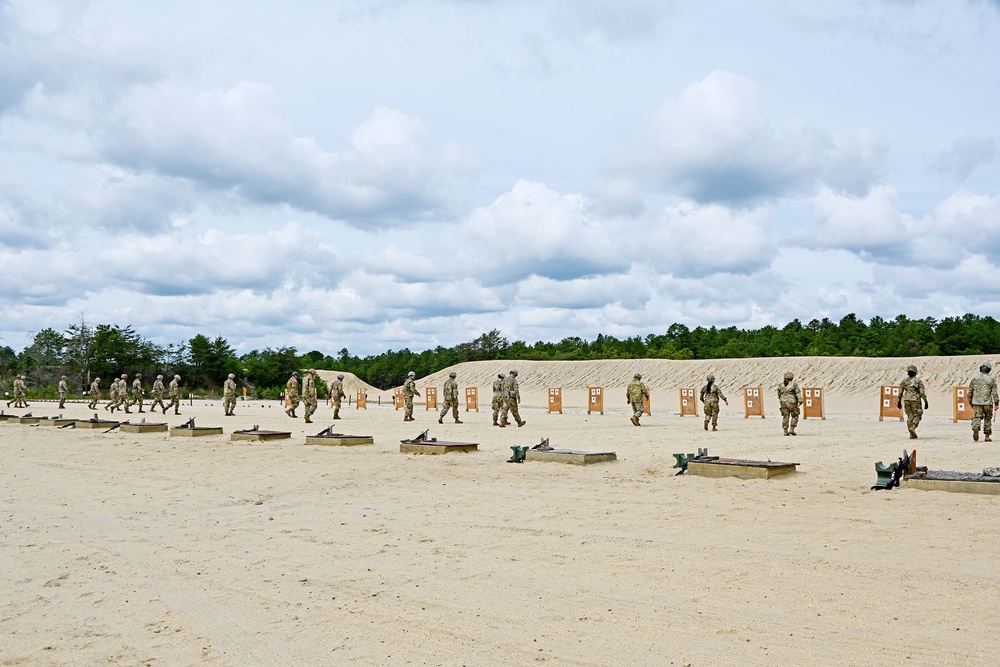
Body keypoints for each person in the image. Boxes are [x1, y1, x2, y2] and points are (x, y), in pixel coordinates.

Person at [968, 361, 999, 442]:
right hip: (988, 403)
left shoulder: (974, 379)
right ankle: (987, 436)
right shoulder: (991, 379)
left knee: (977, 417)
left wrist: (970, 401)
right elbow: (994, 392)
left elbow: (970, 391)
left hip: (977, 402)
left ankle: (976, 427)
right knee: (988, 418)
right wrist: (996, 403)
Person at [896, 364, 928, 439]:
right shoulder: (918, 381)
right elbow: (922, 392)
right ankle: (912, 428)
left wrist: (899, 401)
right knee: (918, 415)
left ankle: (911, 434)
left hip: (906, 399)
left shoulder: (904, 381)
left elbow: (900, 392)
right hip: (915, 399)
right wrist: (926, 401)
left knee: (909, 416)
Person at [777, 371, 802, 436]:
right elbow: (798, 393)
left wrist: (781, 400)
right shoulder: (794, 384)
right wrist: (800, 401)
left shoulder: (780, 385)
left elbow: (778, 394)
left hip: (783, 402)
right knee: (795, 415)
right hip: (792, 402)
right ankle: (791, 429)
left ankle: (785, 431)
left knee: (785, 416)